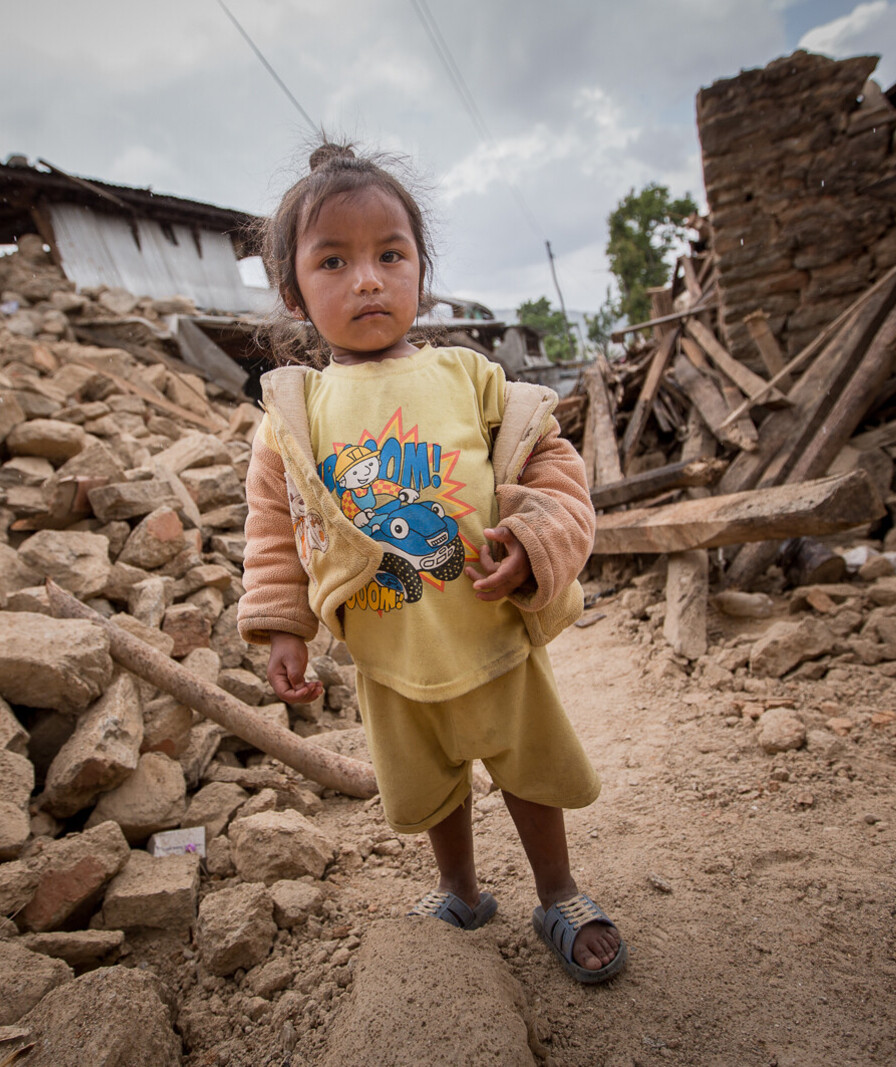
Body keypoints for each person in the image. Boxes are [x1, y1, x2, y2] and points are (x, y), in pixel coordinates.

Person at [237, 142, 625, 983]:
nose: (367, 279)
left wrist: (534, 542)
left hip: (487, 628)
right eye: (333, 260)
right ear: (293, 290)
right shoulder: (293, 412)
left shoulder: (468, 375)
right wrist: (281, 624)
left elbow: (552, 466)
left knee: (527, 766)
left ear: (422, 269)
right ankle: (460, 889)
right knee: (433, 783)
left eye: (390, 254)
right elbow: (271, 524)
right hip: (388, 651)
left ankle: (557, 889)